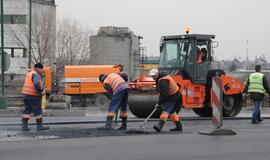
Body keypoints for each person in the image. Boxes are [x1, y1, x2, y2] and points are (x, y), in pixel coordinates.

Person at [21, 62, 49, 131]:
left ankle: (24, 127)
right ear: (38, 68)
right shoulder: (35, 74)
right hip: (33, 96)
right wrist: (41, 90)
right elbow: (36, 83)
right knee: (38, 110)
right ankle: (40, 126)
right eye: (41, 70)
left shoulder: (29, 73)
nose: (42, 71)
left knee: (27, 110)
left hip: (26, 95)